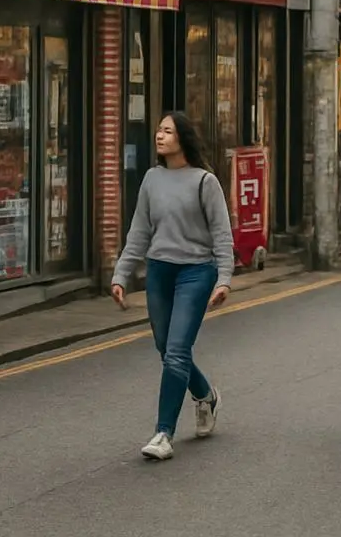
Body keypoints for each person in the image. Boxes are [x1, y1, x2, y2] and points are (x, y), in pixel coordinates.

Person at [111, 111, 234, 462]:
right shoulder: (152, 179)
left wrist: (224, 279)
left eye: (167, 131)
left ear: (182, 138)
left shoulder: (205, 182)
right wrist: (121, 275)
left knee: (177, 350)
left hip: (196, 273)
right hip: (159, 271)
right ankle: (206, 395)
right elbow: (139, 232)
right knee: (166, 349)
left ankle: (163, 433)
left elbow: (222, 235)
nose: (160, 136)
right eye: (159, 131)